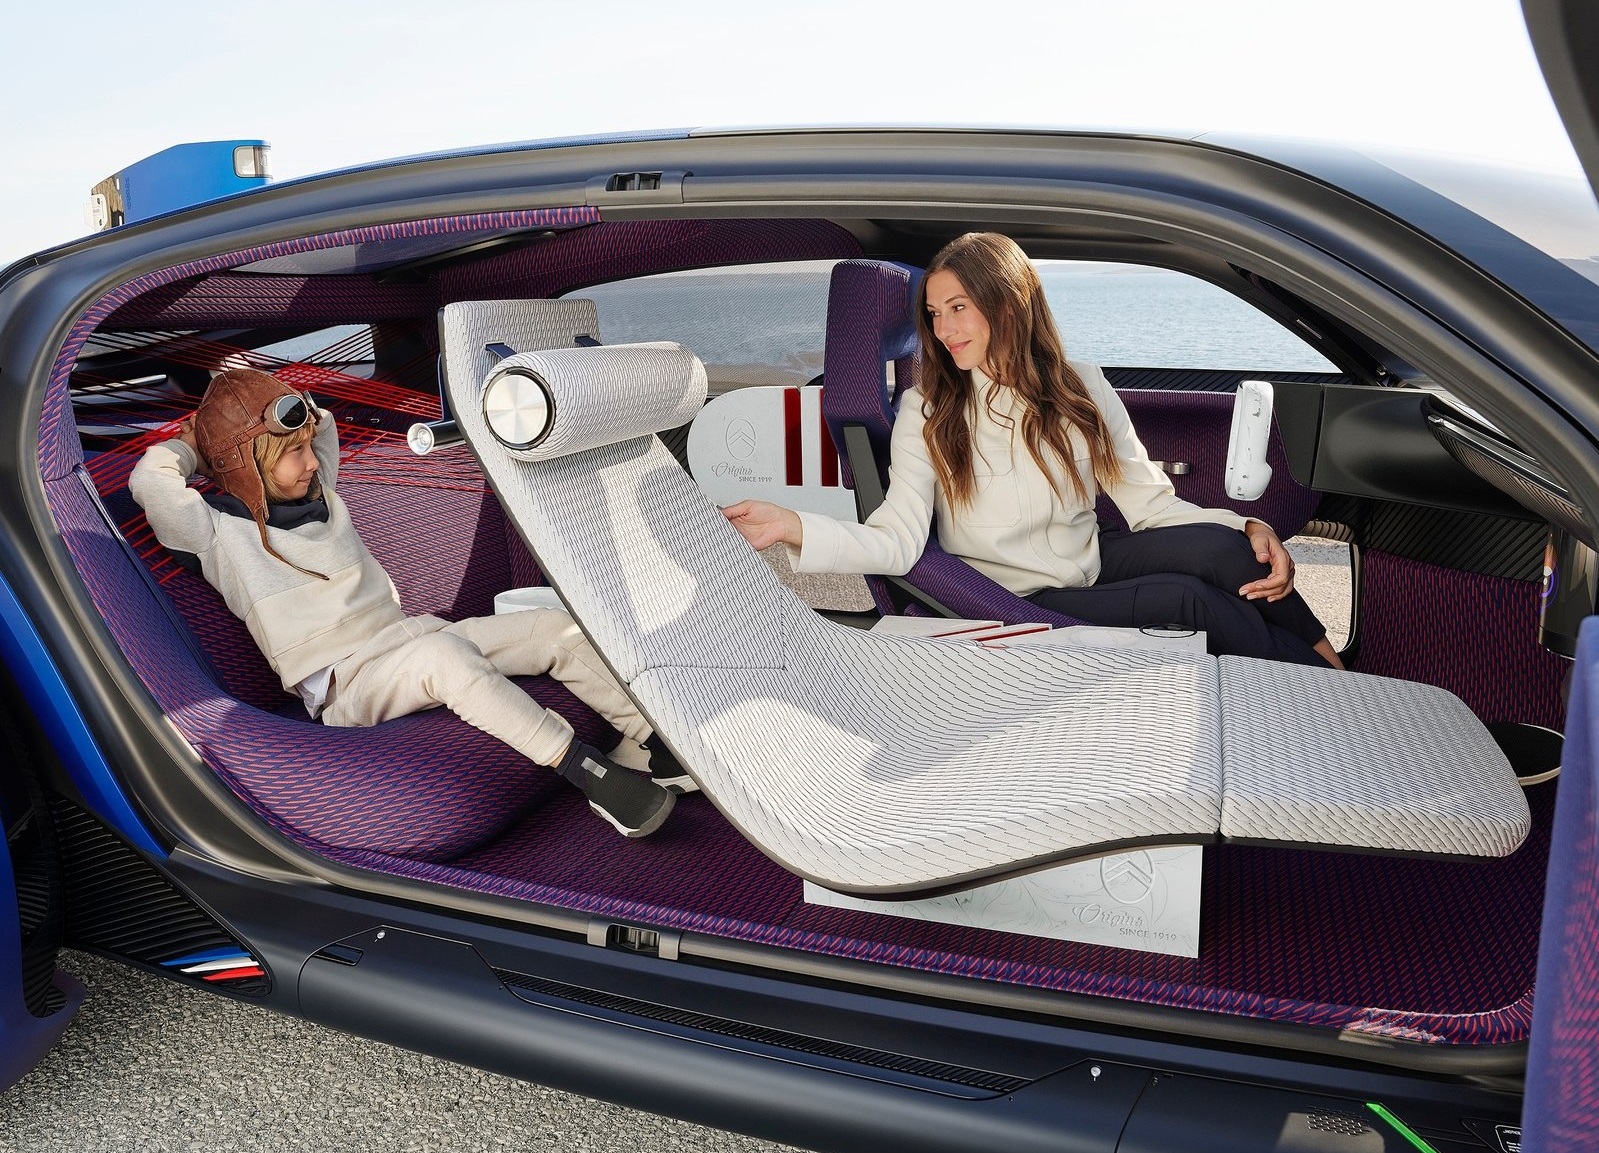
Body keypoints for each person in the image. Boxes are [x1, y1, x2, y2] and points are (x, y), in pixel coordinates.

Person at [724, 232, 1343, 669]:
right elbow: (898, 540)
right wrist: (792, 526)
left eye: (959, 308)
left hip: (1090, 557)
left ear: (1008, 303)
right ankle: (1320, 696)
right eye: (934, 313)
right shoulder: (928, 411)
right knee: (1195, 602)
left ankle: (1334, 667)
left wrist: (1248, 525)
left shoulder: (1081, 384)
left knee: (1226, 550)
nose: (943, 330)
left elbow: (1149, 504)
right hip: (1023, 595)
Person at [129, 367, 692, 839]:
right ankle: (589, 773)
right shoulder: (217, 534)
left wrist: (281, 414)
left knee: (552, 630)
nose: (311, 461)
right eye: (293, 453)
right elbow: (152, 483)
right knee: (446, 661)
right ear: (243, 463)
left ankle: (663, 747)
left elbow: (323, 426)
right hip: (349, 684)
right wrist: (194, 446)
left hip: (410, 635)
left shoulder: (321, 492)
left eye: (306, 449)